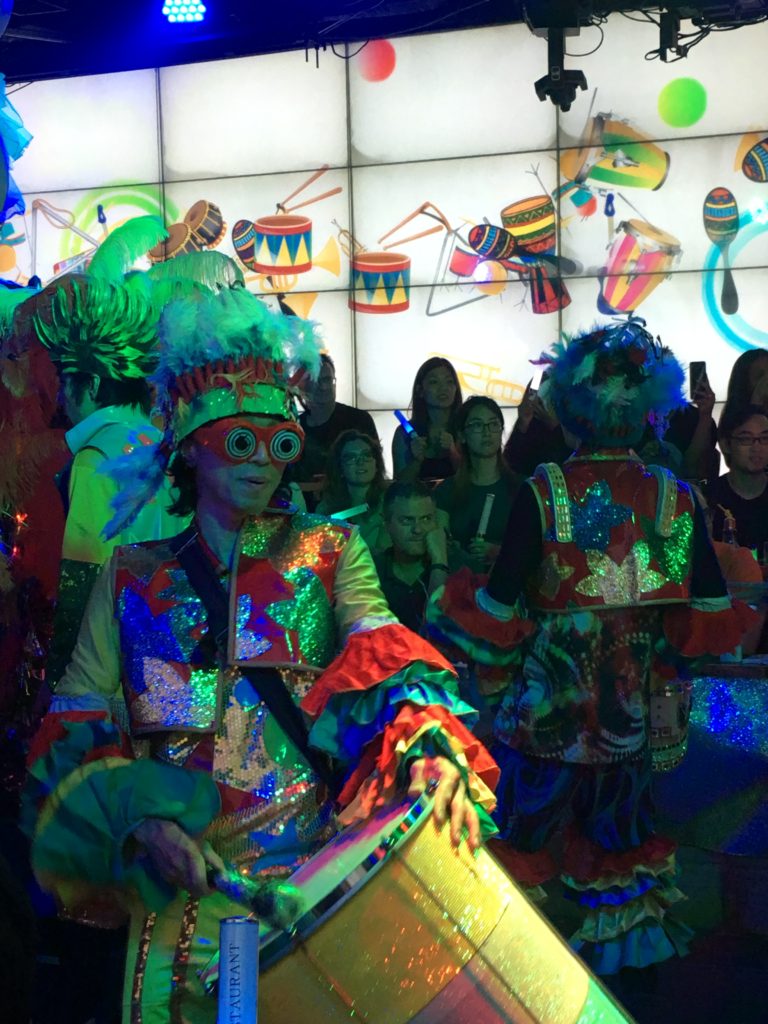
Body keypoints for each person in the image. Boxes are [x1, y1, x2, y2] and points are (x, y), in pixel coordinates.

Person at [23, 287, 498, 1024]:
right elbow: (76, 715)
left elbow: (385, 653)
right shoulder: (130, 573)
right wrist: (144, 825)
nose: (264, 462)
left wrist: (427, 747)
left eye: (280, 442)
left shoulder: (330, 551)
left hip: (312, 883)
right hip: (185, 898)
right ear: (189, 445)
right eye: (239, 440)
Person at [428, 317, 755, 977]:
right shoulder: (677, 496)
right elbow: (708, 618)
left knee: (521, 857)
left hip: (544, 722)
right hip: (629, 725)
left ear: (569, 406)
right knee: (620, 864)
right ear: (651, 408)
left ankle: (518, 986)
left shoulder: (543, 490)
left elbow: (495, 612)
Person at [434, 396, 521, 572]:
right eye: (477, 425)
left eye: (493, 424)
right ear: (462, 436)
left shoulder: (521, 487)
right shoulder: (446, 491)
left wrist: (499, 552)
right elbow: (440, 545)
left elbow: (534, 545)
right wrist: (454, 551)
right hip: (458, 586)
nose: (487, 432)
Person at [373, 481, 466, 634]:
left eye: (426, 519)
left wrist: (439, 562)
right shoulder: (371, 572)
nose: (418, 529)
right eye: (407, 520)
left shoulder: (462, 567)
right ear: (387, 524)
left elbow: (443, 633)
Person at [291, 352, 379, 508]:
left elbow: (376, 468)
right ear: (301, 386)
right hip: (305, 508)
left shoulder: (359, 420)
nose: (323, 387)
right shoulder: (295, 427)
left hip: (355, 507)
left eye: (327, 380)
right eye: (316, 380)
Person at [316, 428, 390, 553]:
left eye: (366, 455)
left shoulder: (391, 502)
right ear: (340, 467)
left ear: (376, 463)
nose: (360, 462)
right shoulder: (326, 509)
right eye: (351, 457)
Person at [707, 404, 768, 551]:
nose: (757, 447)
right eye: (746, 439)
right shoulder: (709, 498)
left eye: (765, 438)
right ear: (726, 445)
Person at [392, 357, 462, 484]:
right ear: (420, 390)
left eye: (449, 381)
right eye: (434, 382)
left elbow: (475, 478)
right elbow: (399, 488)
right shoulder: (404, 433)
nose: (443, 388)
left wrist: (453, 452)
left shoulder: (465, 428)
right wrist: (417, 460)